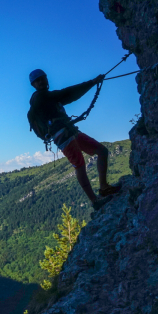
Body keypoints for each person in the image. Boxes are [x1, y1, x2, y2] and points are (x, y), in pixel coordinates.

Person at [27, 69, 121, 211]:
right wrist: (92, 82)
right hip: (62, 135)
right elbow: (68, 93)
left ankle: (103, 188)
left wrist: (91, 83)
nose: (41, 82)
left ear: (46, 79)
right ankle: (95, 200)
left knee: (102, 151)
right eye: (37, 81)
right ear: (33, 84)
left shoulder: (47, 98)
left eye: (42, 79)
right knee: (80, 164)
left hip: (70, 131)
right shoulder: (41, 98)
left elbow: (69, 94)